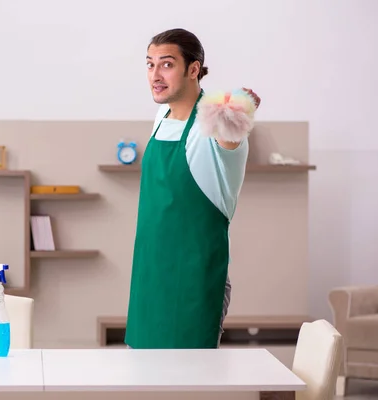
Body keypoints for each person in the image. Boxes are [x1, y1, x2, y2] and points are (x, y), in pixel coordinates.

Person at [124, 28, 261, 349]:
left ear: (194, 69)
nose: (155, 75)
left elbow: (232, 129)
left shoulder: (216, 126)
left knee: (191, 383)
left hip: (194, 283)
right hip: (149, 276)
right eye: (149, 64)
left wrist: (239, 106)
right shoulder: (161, 116)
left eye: (167, 64)